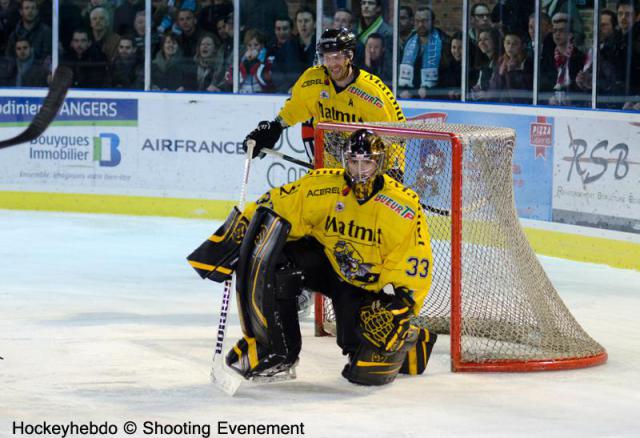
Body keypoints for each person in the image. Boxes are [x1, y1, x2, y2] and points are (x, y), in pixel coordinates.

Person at [191, 129, 437, 386]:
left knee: (364, 364)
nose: (360, 170)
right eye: (354, 162)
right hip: (327, 264)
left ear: (380, 163)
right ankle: (276, 350)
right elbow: (274, 204)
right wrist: (234, 236)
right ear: (345, 161)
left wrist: (404, 303)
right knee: (272, 257)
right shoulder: (323, 186)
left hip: (365, 285)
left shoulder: (402, 206)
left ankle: (411, 340)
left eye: (367, 162)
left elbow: (415, 263)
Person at [242, 28, 406, 174]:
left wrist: (394, 171)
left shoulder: (371, 92)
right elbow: (295, 108)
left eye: (337, 57)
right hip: (327, 172)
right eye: (327, 58)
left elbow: (395, 135)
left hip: (363, 176)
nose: (332, 64)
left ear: (349, 56)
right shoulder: (312, 80)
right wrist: (275, 127)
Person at [398, 6, 451, 99]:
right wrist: (403, 89)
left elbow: (448, 75)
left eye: (424, 21)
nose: (420, 24)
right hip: (410, 95)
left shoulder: (444, 42)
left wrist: (431, 91)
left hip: (435, 97)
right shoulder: (409, 41)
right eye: (417, 21)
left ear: (433, 22)